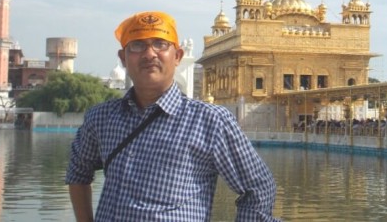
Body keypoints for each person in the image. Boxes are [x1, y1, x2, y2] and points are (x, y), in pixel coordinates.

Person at [65, 11, 279, 221]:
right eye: (138, 45)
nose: (150, 54)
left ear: (177, 56)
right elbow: (78, 172)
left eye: (160, 44)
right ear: (123, 58)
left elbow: (258, 187)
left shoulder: (209, 121)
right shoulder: (101, 117)